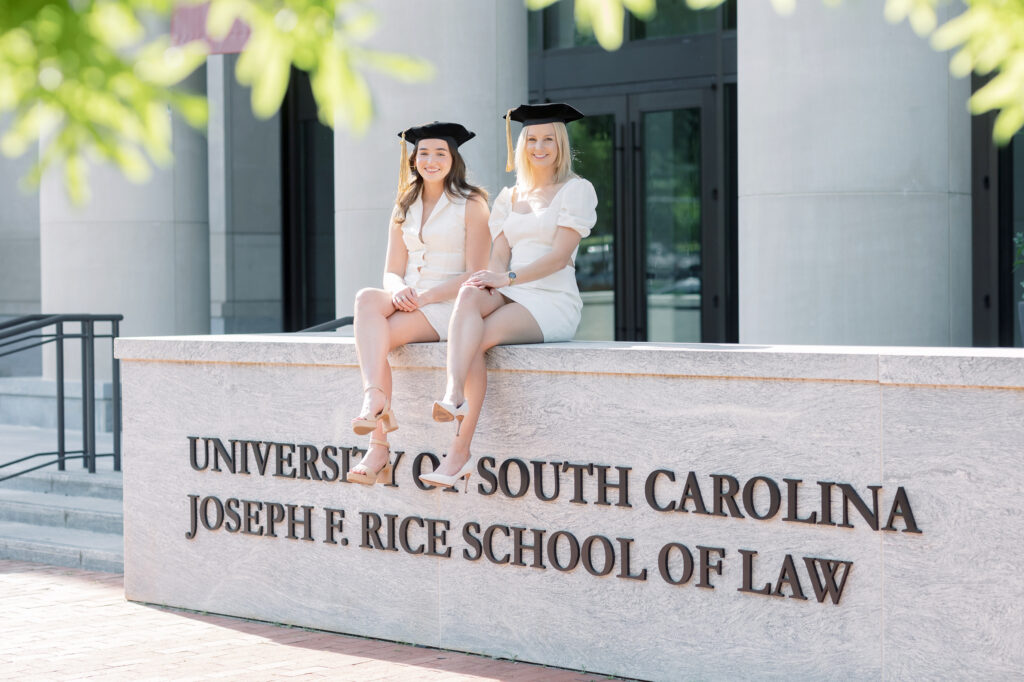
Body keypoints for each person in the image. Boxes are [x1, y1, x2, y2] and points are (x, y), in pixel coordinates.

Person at [419, 103, 597, 491]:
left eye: (548, 139)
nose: (540, 146)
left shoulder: (576, 191)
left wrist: (506, 277)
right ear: (522, 145)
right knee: (468, 294)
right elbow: (499, 253)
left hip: (550, 298)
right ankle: (452, 394)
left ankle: (458, 452)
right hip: (509, 286)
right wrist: (490, 278)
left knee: (476, 340)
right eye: (532, 139)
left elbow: (559, 257)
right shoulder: (509, 195)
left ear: (560, 144)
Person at [349, 122, 490, 485]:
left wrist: (425, 296)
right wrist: (398, 289)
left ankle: (379, 445)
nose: (431, 160)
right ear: (413, 159)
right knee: (366, 298)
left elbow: (477, 272)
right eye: (424, 153)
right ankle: (373, 397)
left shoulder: (471, 203)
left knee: (379, 340)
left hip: (448, 305)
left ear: (453, 158)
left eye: (440, 153)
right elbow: (392, 271)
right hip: (408, 298)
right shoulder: (404, 203)